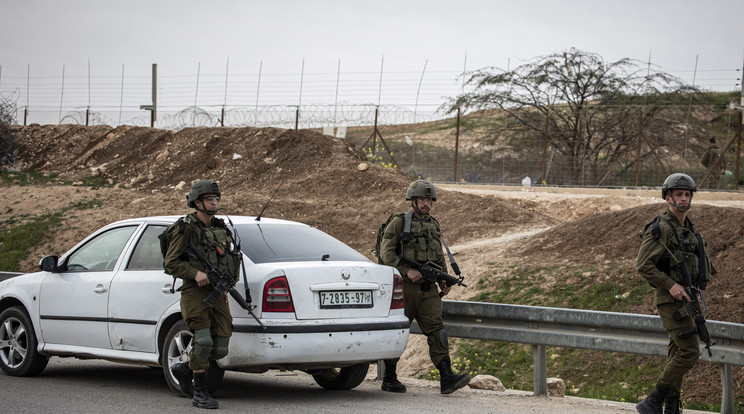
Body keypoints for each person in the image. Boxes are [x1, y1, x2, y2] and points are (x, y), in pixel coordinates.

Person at [378, 179, 471, 395]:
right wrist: (406, 271)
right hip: (405, 289)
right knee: (399, 333)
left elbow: (438, 256)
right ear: (412, 200)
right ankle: (389, 377)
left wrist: (443, 279)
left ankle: (446, 377)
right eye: (421, 199)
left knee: (437, 331)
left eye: (428, 199)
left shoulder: (433, 224)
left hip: (428, 290)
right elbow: (386, 253)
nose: (425, 203)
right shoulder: (399, 222)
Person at [635, 173, 715, 414]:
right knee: (689, 351)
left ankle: (671, 406)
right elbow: (643, 264)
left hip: (687, 300)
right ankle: (652, 400)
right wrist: (671, 285)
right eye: (678, 194)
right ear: (668, 197)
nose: (683, 198)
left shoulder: (689, 229)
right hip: (670, 300)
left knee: (677, 351)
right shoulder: (662, 227)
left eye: (687, 194)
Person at [165, 180, 242, 409]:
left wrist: (226, 287)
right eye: (210, 199)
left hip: (218, 292)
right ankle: (200, 392)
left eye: (216, 198)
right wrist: (195, 273)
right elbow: (171, 263)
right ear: (197, 202)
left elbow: (230, 259)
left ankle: (184, 368)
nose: (214, 203)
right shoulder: (186, 228)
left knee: (220, 347)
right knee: (204, 340)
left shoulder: (221, 228)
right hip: (195, 292)